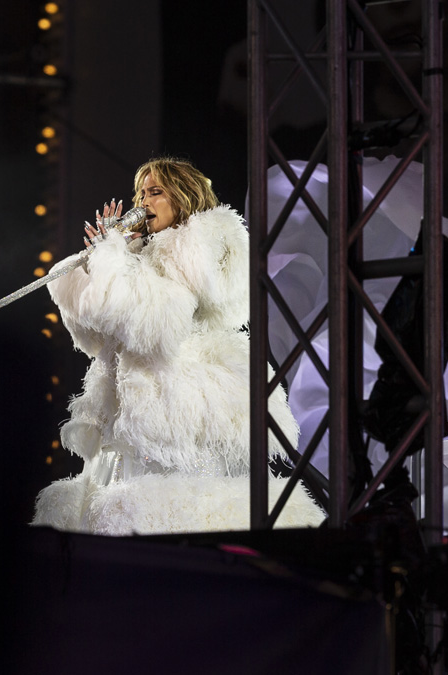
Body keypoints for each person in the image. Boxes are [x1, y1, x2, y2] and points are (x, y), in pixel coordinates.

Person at [32, 157, 325, 534]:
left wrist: (115, 260)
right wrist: (95, 263)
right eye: (140, 192)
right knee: (111, 498)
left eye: (155, 192)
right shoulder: (145, 253)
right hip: (131, 393)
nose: (143, 202)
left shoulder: (200, 242)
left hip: (180, 396)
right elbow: (94, 334)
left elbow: (156, 320)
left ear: (183, 196)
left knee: (175, 505)